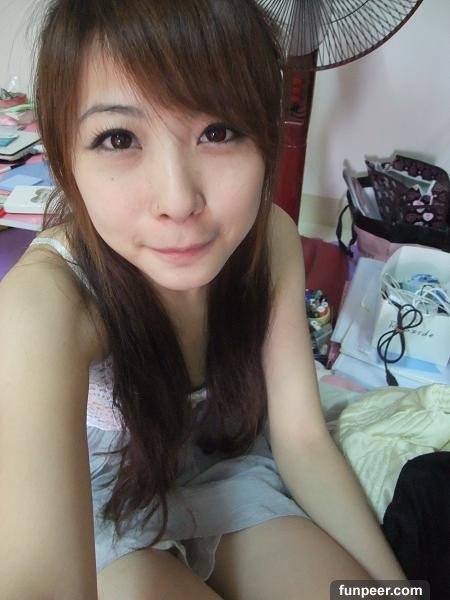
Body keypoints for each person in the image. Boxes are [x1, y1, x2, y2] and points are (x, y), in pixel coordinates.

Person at [0, 1, 407, 598]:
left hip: (227, 473)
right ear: (65, 158)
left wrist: (398, 587)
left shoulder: (269, 241)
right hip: (98, 510)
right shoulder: (42, 304)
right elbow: (39, 580)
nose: (178, 200)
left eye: (218, 131)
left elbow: (301, 438)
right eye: (118, 138)